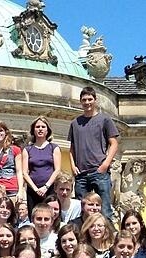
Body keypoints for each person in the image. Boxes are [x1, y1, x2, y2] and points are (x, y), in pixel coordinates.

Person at [68, 86, 120, 219]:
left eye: (90, 99)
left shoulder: (104, 120)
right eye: (84, 100)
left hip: (99, 172)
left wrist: (105, 165)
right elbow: (72, 148)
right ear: (80, 102)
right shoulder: (75, 123)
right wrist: (73, 166)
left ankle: (107, 239)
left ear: (95, 100)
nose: (87, 102)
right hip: (81, 174)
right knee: (82, 211)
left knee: (105, 210)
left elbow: (114, 143)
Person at [22, 115, 61, 211]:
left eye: (43, 127)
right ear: (33, 130)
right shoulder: (27, 149)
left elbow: (57, 170)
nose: (40, 129)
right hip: (33, 190)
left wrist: (46, 187)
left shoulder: (54, 148)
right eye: (37, 127)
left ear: (47, 130)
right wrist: (35, 189)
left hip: (50, 189)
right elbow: (24, 172)